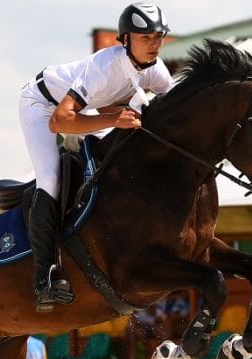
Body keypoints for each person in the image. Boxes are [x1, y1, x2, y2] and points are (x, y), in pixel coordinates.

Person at [19, 3, 173, 312]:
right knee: (50, 177)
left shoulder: (155, 69)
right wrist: (114, 120)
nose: (154, 44)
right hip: (43, 105)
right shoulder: (105, 66)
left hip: (89, 108)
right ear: (126, 39)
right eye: (145, 38)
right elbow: (60, 121)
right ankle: (45, 275)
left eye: (158, 37)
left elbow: (174, 109)